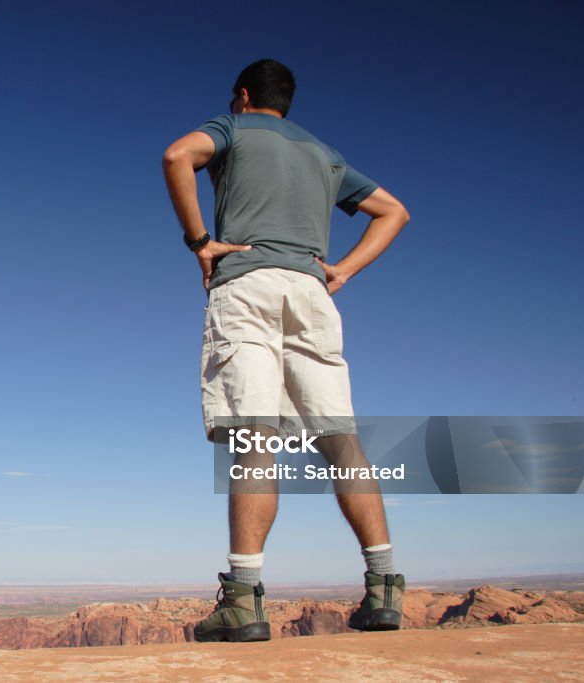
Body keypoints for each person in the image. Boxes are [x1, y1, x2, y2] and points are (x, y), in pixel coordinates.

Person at [162, 59, 411, 642]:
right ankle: (383, 588)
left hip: (247, 285)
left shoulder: (231, 127)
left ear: (243, 95)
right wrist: (343, 269)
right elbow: (394, 212)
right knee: (340, 438)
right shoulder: (325, 154)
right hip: (311, 294)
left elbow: (178, 157)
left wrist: (200, 242)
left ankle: (243, 604)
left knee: (256, 435)